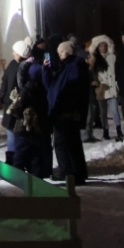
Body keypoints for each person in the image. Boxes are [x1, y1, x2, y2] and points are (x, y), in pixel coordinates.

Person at [45, 40, 90, 184]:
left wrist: (62, 106)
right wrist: (46, 70)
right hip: (66, 111)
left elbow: (70, 89)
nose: (59, 55)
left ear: (68, 51)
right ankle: (77, 173)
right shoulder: (67, 66)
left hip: (66, 111)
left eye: (61, 52)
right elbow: (52, 87)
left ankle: (68, 173)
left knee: (63, 143)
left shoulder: (74, 66)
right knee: (71, 143)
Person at [8, 49, 53, 178]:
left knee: (21, 153)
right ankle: (37, 175)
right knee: (36, 154)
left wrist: (15, 110)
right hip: (39, 126)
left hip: (26, 126)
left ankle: (17, 175)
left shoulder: (28, 87)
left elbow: (19, 105)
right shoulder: (44, 88)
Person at [0, 40, 28, 167]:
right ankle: (13, 159)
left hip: (19, 105)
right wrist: (4, 96)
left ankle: (17, 160)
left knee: (18, 134)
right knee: (11, 133)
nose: (12, 53)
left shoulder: (25, 66)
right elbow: (4, 81)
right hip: (10, 104)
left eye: (15, 51)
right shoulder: (13, 64)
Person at [85, 35, 118, 141]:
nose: (103, 48)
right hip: (101, 89)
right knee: (103, 112)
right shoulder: (94, 60)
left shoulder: (113, 58)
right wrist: (96, 83)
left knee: (114, 110)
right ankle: (106, 131)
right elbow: (91, 73)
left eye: (105, 46)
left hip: (112, 87)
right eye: (101, 46)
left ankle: (119, 130)